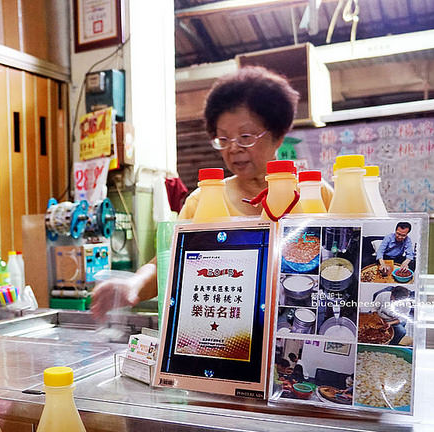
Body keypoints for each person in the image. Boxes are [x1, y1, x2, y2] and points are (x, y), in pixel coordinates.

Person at [91, 66, 332, 320]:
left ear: (278, 136)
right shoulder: (203, 199)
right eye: (223, 139)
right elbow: (169, 263)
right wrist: (134, 284)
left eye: (245, 136)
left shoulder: (314, 194)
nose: (233, 148)